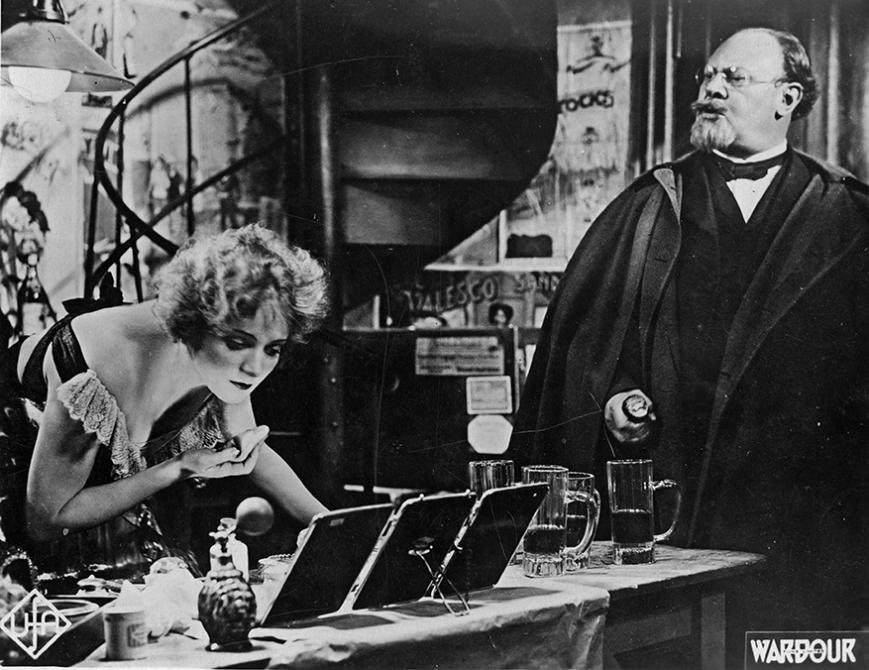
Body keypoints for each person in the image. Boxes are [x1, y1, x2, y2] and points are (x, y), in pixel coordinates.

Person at [508, 27, 868, 637]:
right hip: (675, 504)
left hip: (802, 508)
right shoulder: (649, 205)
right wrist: (615, 395)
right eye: (708, 77)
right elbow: (591, 342)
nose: (712, 89)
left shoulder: (848, 216)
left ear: (787, 98)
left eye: (734, 78)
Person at [0, 224, 329, 577]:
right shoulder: (98, 368)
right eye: (237, 343)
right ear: (194, 324)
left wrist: (329, 522)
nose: (255, 367)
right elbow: (46, 521)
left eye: (273, 349)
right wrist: (178, 468)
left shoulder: (218, 359)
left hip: (101, 513)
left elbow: (248, 448)